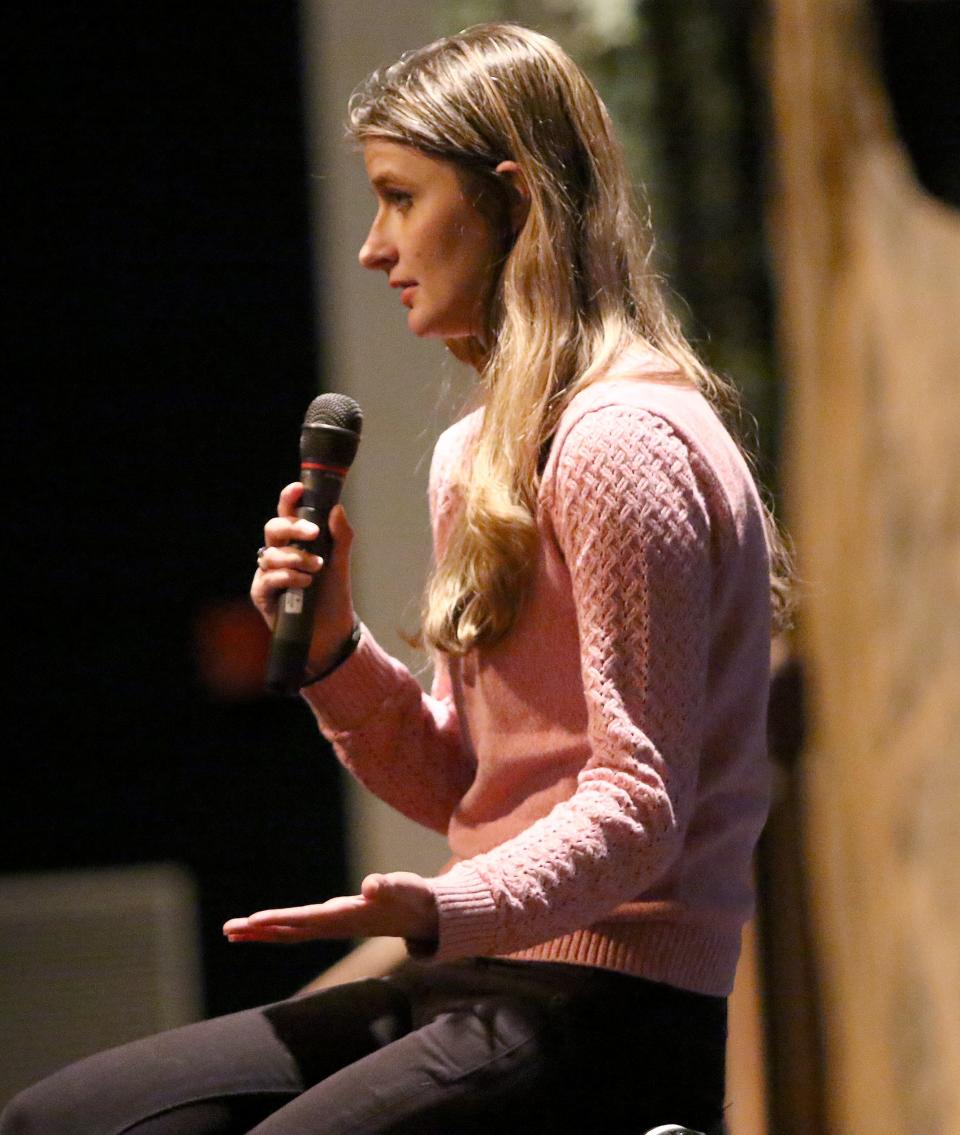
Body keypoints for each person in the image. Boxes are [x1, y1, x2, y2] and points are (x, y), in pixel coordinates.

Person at [1, 22, 790, 1135]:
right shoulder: (476, 454)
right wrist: (333, 654)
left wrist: (440, 904)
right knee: (64, 1115)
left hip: (616, 1005)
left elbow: (637, 807)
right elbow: (470, 784)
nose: (377, 247)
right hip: (479, 973)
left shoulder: (626, 442)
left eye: (400, 197)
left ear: (511, 200)